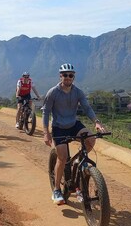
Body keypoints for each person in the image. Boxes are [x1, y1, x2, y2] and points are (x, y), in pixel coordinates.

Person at [42, 63, 106, 205]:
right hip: (58, 127)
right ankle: (57, 189)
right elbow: (45, 112)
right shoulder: (53, 92)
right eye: (65, 75)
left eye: (70, 75)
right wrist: (46, 133)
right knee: (62, 157)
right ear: (60, 76)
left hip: (73, 124)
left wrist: (96, 121)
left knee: (90, 139)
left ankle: (78, 161)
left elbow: (87, 108)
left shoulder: (77, 92)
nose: (68, 77)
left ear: (73, 77)